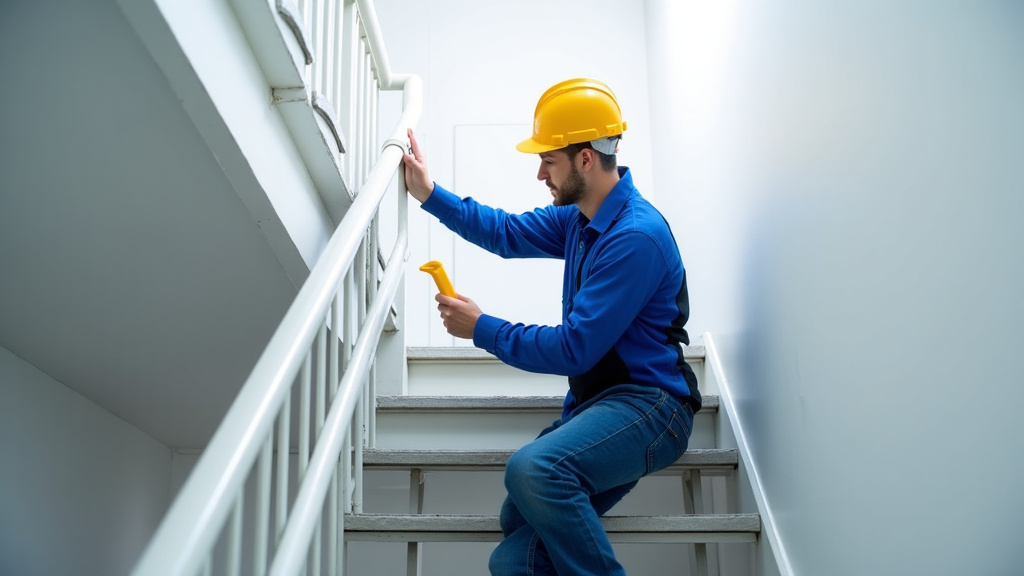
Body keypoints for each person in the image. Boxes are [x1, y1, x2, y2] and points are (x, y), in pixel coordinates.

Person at [401, 78, 701, 576]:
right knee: (514, 552)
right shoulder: (581, 219)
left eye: (548, 160)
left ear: (585, 158)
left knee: (534, 469)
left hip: (652, 406)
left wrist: (481, 328)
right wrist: (429, 194)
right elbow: (506, 232)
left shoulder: (635, 237)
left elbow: (574, 349)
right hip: (601, 405)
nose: (540, 172)